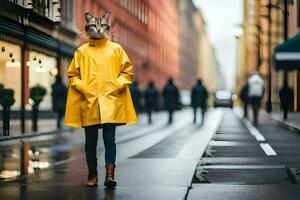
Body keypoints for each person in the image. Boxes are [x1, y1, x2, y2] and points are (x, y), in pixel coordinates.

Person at [64, 11, 137, 188]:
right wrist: (84, 88)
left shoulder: (116, 49)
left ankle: (110, 175)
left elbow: (127, 72)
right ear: (87, 27)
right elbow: (73, 75)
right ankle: (92, 173)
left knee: (110, 139)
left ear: (107, 27)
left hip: (111, 101)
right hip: (88, 101)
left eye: (102, 26)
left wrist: (117, 85)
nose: (98, 29)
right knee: (90, 141)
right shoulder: (81, 51)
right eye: (93, 26)